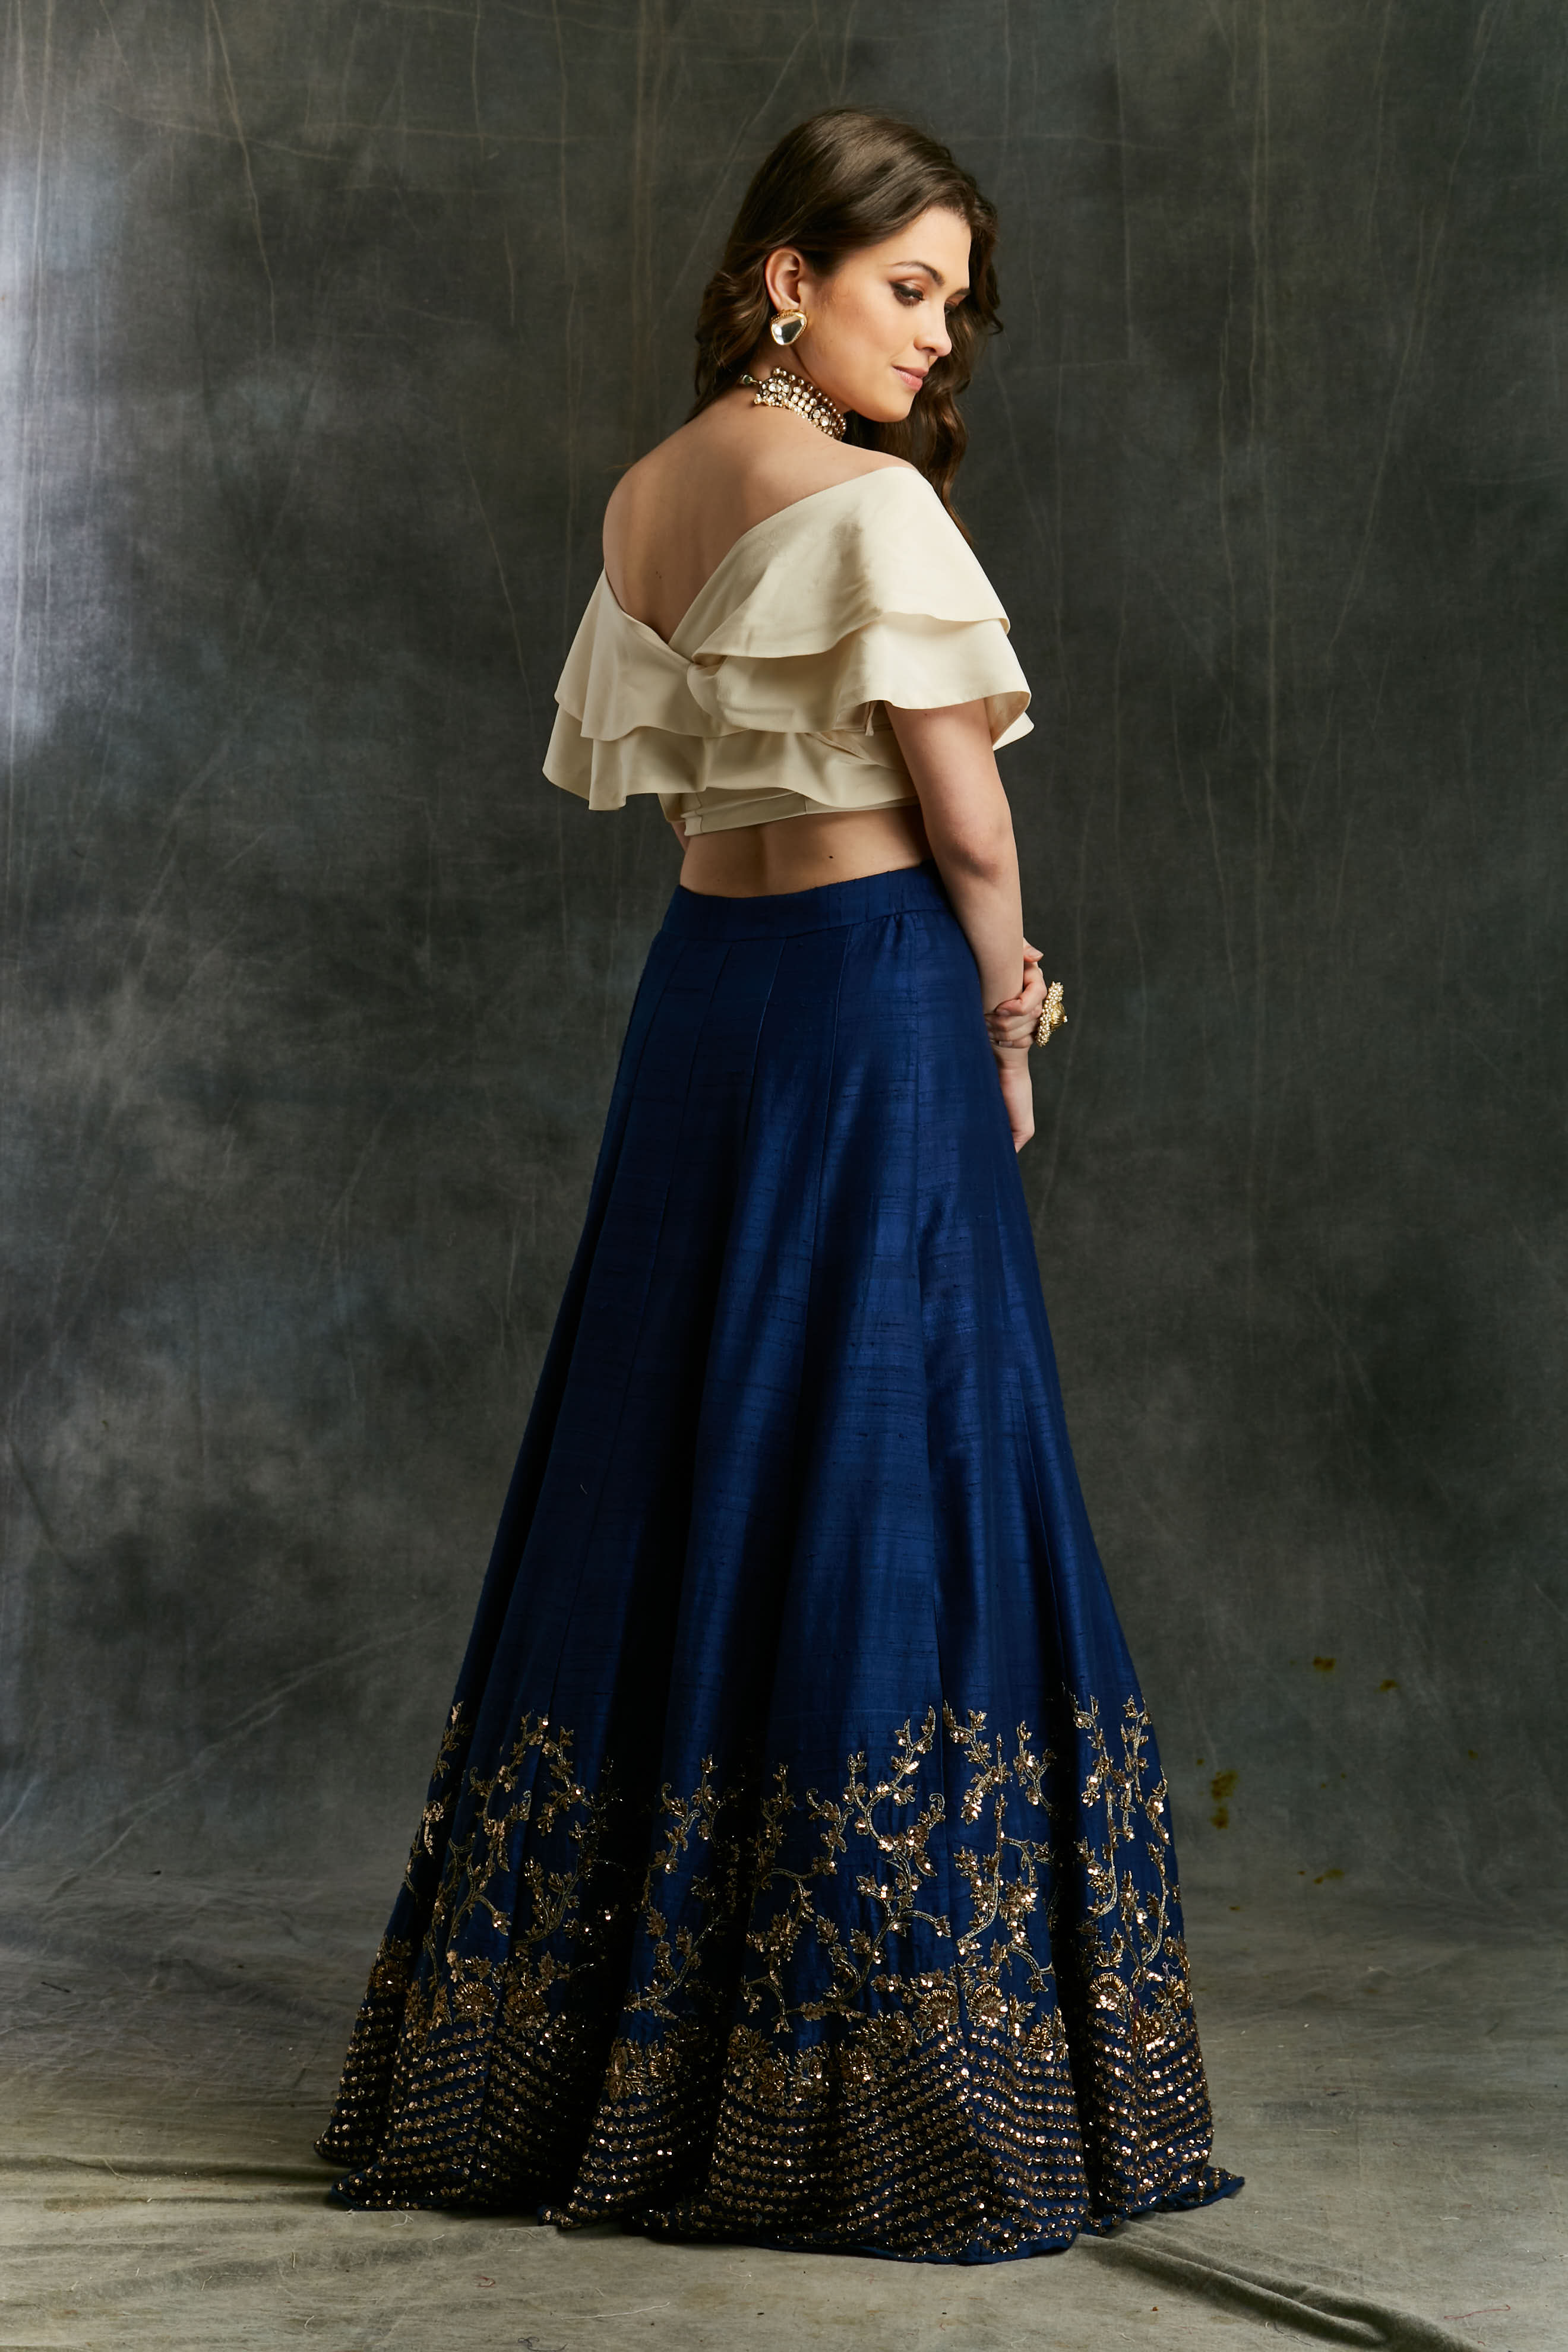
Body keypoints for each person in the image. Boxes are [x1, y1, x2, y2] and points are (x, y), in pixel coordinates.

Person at [318, 108, 1240, 2262]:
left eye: (955, 302)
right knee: (889, 1450)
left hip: (706, 998)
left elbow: (674, 787)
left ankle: (595, 2064)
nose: (939, 335)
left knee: (678, 1450)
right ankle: (874, 2088)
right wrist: (1011, 1016)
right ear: (786, 277)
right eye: (907, 288)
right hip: (865, 993)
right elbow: (969, 824)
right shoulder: (872, 507)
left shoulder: (649, 495)